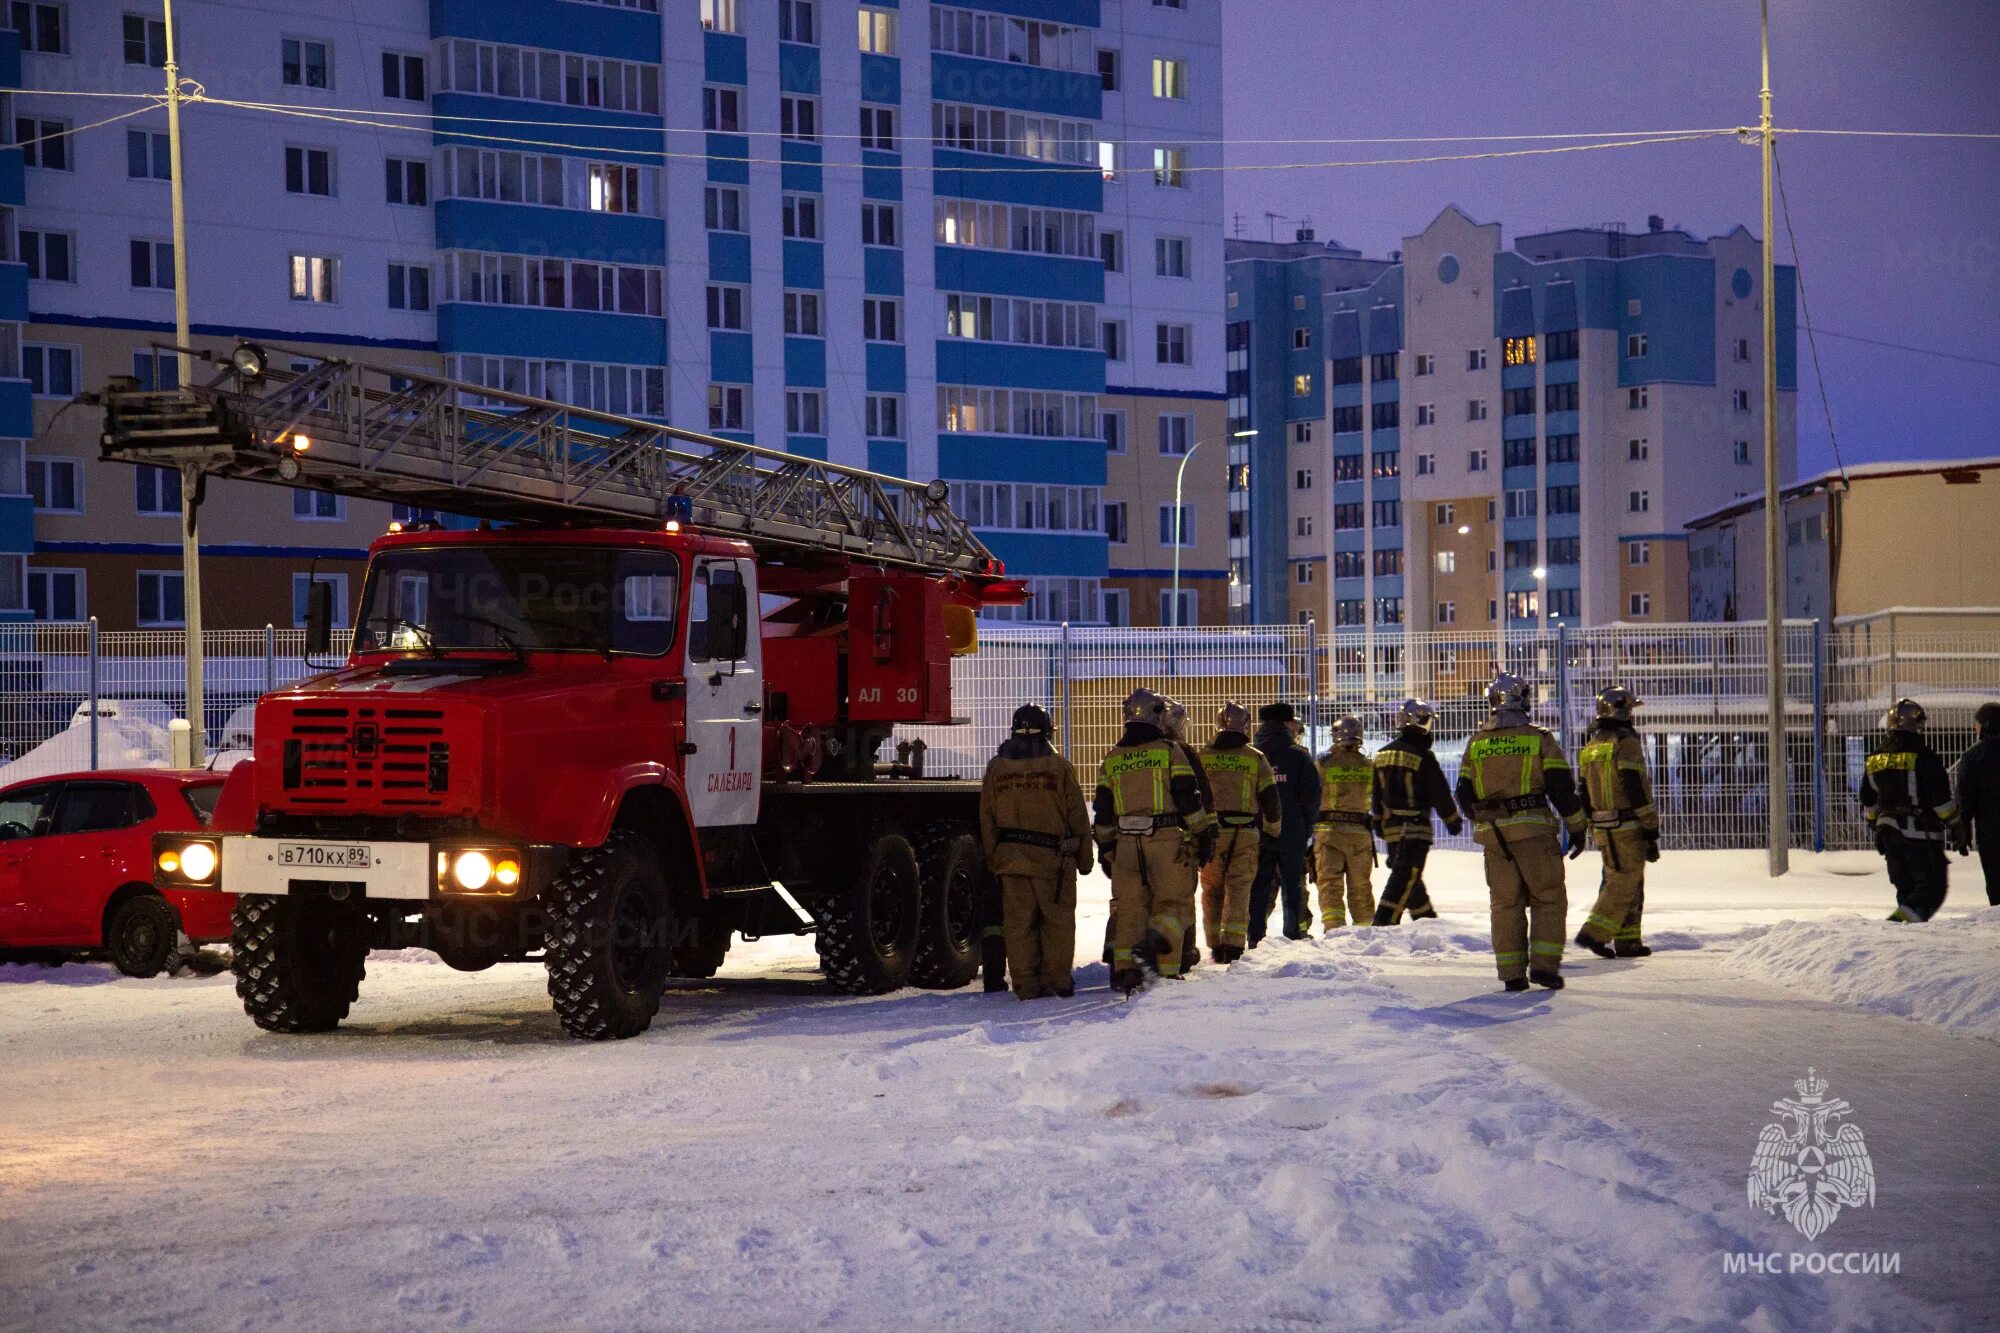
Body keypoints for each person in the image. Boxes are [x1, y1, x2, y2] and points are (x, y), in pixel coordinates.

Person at [1455, 673, 1587, 991]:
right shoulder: (1539, 738)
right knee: (1548, 898)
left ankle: (1512, 974)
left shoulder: (1477, 742)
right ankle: (1544, 967)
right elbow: (1560, 787)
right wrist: (1577, 826)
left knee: (1505, 904)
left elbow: (1463, 794)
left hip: (1495, 839)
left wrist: (1487, 818)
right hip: (1534, 833)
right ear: (1524, 699)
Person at [1093, 689, 1214, 993]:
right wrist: (1202, 834)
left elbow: (1103, 811)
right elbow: (1188, 796)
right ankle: (1165, 969)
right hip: (1165, 840)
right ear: (1158, 716)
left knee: (1130, 909)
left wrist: (1106, 848)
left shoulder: (1112, 758)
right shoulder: (1170, 751)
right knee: (1174, 903)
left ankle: (1127, 973)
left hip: (1125, 844)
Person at [978, 704, 1095, 1000]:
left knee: (1018, 925)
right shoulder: (1058, 767)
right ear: (1047, 731)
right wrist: (1084, 859)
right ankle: (1056, 980)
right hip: (1052, 861)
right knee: (1057, 923)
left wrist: (994, 858)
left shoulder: (997, 768)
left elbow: (987, 817)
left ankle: (1026, 985)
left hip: (1011, 861)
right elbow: (1077, 815)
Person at [1573, 686, 1660, 959]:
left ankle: (1628, 941)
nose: (1633, 716)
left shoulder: (1591, 747)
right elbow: (1633, 786)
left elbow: (1582, 791)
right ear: (1621, 712)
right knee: (1625, 881)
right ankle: (1594, 933)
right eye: (1631, 710)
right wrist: (1650, 825)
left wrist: (1590, 824)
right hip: (1627, 826)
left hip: (1603, 827)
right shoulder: (1626, 743)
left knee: (1624, 881)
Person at [1860, 697, 1961, 922]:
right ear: (1917, 724)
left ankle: (1906, 938)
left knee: (1906, 891)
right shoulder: (1924, 757)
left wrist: (1876, 827)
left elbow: (1868, 801)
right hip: (1919, 835)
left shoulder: (1875, 759)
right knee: (1931, 890)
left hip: (1888, 834)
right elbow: (1941, 802)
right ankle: (1894, 928)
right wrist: (1956, 826)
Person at [1198, 702, 1280, 962]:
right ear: (1246, 725)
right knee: (1239, 888)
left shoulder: (1203, 756)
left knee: (1211, 889)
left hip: (1212, 833)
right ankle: (1232, 946)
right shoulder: (1255, 758)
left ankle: (1214, 944)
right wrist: (1272, 830)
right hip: (1245, 833)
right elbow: (1270, 797)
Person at [1370, 698, 1462, 925]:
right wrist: (1452, 820)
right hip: (1415, 829)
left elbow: (1376, 792)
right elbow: (1438, 790)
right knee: (1405, 878)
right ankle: (1383, 923)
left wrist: (1377, 821)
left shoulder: (1382, 755)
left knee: (1409, 879)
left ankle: (1427, 922)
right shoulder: (1423, 756)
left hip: (1391, 829)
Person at [1247, 702, 1320, 945]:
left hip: (1258, 832)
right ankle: (1294, 932)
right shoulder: (1299, 756)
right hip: (1292, 831)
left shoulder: (1252, 754)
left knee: (1259, 886)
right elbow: (1311, 797)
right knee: (1293, 885)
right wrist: (1306, 828)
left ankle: (1254, 935)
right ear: (1288, 723)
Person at [1161, 698, 1217, 973]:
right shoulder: (1181, 751)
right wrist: (1207, 833)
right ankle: (1183, 952)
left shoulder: (1127, 750)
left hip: (1131, 841)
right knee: (1181, 897)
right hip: (1179, 840)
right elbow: (1200, 794)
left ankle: (1125, 958)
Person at [1312, 715, 1378, 931]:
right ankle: (1365, 930)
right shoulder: (1368, 765)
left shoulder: (1323, 763)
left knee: (1330, 885)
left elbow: (1311, 795)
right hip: (1360, 834)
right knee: (1361, 886)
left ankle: (1335, 929)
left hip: (1329, 834)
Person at [1951, 702, 2000, 907]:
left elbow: (1965, 798)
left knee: (1996, 888)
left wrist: (1962, 831)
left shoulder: (1974, 756)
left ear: (1986, 725)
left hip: (1991, 833)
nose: (1975, 728)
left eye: (1978, 724)